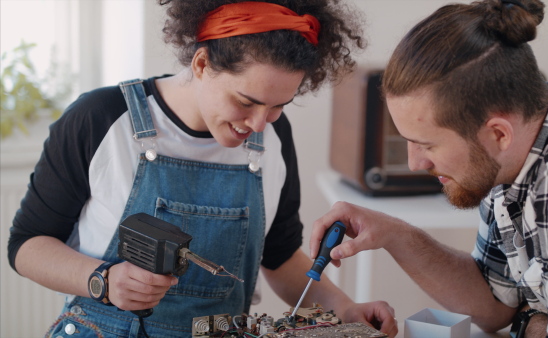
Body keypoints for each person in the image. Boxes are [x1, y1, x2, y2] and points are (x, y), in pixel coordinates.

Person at [7, 1, 398, 337]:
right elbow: (26, 246)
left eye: (279, 106)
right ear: (201, 62)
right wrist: (102, 281)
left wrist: (343, 308)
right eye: (246, 101)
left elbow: (278, 256)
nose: (260, 123)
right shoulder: (101, 119)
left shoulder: (274, 138)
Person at [310, 0, 548, 337]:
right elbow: (494, 308)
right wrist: (394, 234)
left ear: (498, 134)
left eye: (428, 144)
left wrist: (529, 320)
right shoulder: (508, 162)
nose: (414, 163)